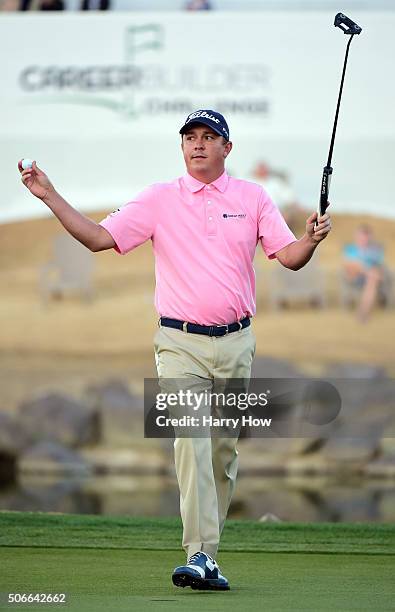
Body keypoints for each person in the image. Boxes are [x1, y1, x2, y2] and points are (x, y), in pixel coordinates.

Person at [18, 109, 331, 591]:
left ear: (228, 148)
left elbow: (288, 258)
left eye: (209, 137)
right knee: (191, 441)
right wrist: (50, 195)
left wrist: (309, 239)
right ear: (182, 147)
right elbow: (100, 238)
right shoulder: (159, 199)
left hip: (236, 344)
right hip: (178, 343)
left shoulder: (253, 198)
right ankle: (200, 554)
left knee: (222, 455)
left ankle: (209, 555)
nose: (198, 145)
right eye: (190, 137)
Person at [343, 224, 385, 322]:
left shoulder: (375, 250)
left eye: (366, 236)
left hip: (370, 278)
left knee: (372, 280)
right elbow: (348, 265)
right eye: (361, 235)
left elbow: (380, 265)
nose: (363, 238)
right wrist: (366, 270)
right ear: (356, 236)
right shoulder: (350, 249)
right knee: (355, 265)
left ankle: (363, 312)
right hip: (354, 277)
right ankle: (363, 313)